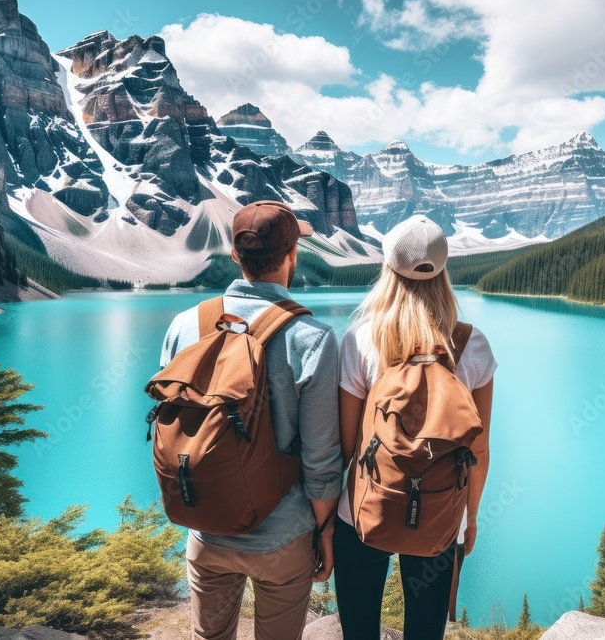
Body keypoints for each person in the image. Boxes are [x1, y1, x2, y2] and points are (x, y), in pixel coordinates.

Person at [158, 200, 343, 640]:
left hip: (206, 527)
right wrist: (325, 531)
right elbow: (321, 457)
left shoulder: (186, 324)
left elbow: (174, 422)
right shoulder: (312, 338)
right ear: (293, 254)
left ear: (236, 255)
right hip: (283, 535)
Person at [333, 215, 497, 640]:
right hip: (443, 515)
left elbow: (346, 446)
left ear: (387, 270)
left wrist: (323, 521)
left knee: (358, 630)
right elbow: (478, 451)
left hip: (364, 511)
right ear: (443, 274)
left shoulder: (362, 338)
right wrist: (471, 518)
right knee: (425, 632)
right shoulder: (471, 343)